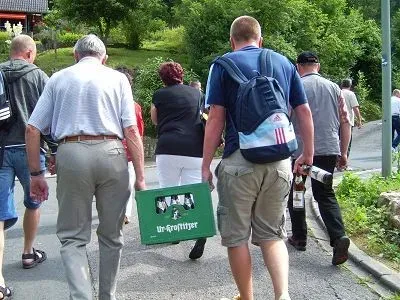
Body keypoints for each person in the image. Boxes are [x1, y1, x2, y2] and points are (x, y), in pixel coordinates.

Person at [25, 34, 146, 300]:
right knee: (112, 234)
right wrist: (140, 176)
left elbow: (32, 129)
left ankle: (81, 297)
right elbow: (131, 130)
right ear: (105, 58)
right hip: (113, 152)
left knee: (72, 237)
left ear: (75, 55)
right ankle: (107, 296)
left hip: (72, 152)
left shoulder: (58, 78)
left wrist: (36, 174)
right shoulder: (118, 79)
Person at [202, 16, 314, 300]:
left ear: (232, 41)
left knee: (237, 237)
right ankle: (282, 295)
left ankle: (247, 297)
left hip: (239, 161)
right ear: (260, 39)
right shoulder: (285, 63)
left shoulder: (222, 65)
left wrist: (205, 165)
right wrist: (307, 153)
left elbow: (215, 119)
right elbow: (303, 112)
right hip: (279, 161)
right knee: (272, 235)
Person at [0, 35, 57, 297]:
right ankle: (27, 252)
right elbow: (50, 117)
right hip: (30, 150)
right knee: (33, 202)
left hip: (0, 151)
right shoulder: (39, 77)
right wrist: (55, 150)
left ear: (12, 52)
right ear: (30, 53)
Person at [288, 51, 352, 266]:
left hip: (301, 151)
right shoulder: (335, 88)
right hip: (328, 149)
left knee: (297, 191)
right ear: (319, 65)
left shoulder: (295, 85)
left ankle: (299, 237)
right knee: (325, 193)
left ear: (298, 66)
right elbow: (345, 122)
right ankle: (338, 236)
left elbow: (286, 118)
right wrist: (343, 152)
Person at [151, 62, 208, 260]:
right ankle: (199, 228)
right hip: (194, 149)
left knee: (169, 190)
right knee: (192, 191)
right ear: (182, 75)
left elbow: (155, 119)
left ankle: (174, 231)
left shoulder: (159, 95)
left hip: (168, 147)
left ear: (162, 78)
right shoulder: (197, 94)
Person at [115, 67, 145, 225]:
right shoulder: (135, 106)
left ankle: (116, 212)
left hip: (109, 150)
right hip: (128, 151)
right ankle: (125, 213)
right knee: (128, 184)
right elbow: (137, 132)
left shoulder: (106, 102)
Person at [341, 78, 362, 158]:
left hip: (336, 121)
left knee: (338, 141)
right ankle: (344, 163)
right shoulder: (350, 94)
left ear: (341, 85)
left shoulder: (337, 92)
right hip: (348, 121)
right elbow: (355, 108)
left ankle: (336, 162)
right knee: (347, 142)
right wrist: (359, 120)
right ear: (350, 85)